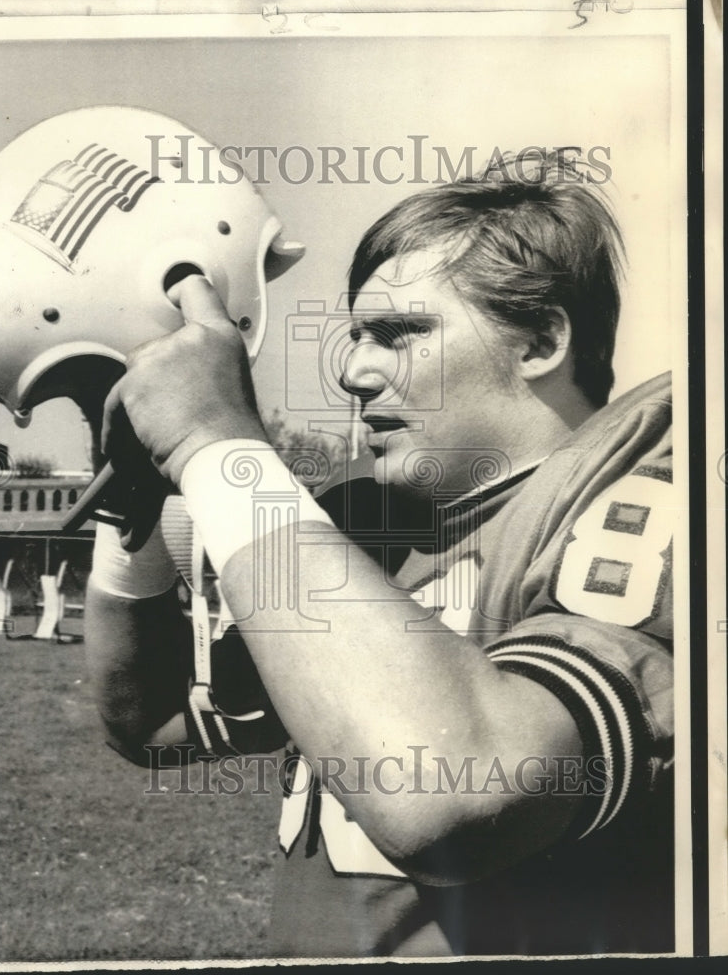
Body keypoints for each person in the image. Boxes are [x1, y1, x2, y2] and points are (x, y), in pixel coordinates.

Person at [84, 152, 674, 957]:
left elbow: (458, 798)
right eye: (355, 336)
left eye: (399, 333)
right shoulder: (365, 524)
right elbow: (156, 725)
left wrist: (215, 440)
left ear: (540, 341)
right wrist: (135, 509)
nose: (353, 371)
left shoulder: (646, 485)